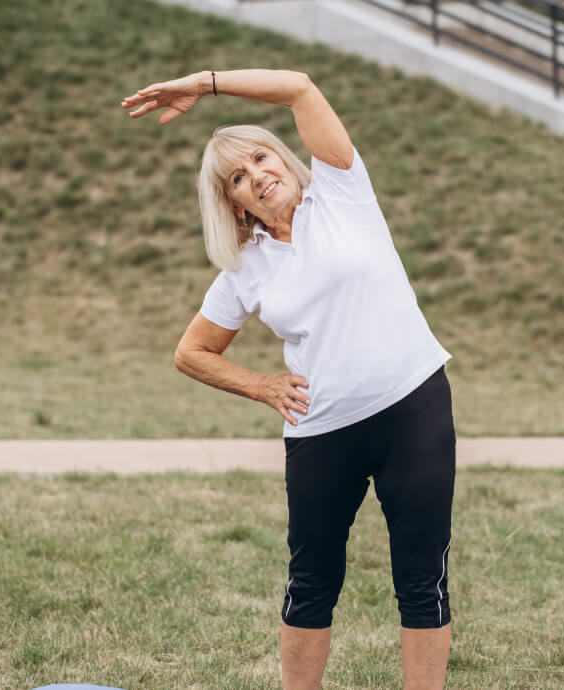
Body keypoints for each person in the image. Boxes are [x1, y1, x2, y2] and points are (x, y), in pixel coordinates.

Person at [121, 69, 456, 690]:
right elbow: (192, 352)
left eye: (259, 157)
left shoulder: (342, 192)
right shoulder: (245, 267)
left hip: (414, 408)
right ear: (234, 203)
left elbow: (300, 87)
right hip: (321, 430)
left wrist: (207, 84)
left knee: (421, 577)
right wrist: (261, 385)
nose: (257, 176)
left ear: (282, 154)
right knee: (311, 582)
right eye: (238, 179)